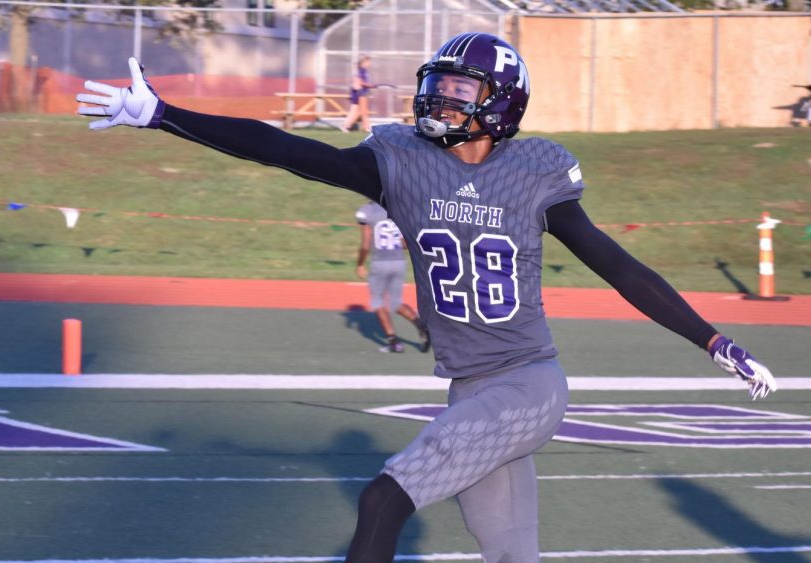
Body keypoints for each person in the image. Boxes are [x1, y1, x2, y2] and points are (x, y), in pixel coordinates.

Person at [76, 33, 778, 563]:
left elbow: (622, 268)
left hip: (530, 383)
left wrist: (714, 340)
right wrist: (163, 115)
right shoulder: (400, 163)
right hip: (467, 387)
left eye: (459, 93)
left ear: (499, 106)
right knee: (509, 554)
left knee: (384, 496)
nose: (440, 101)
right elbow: (285, 149)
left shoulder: (535, 174)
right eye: (438, 87)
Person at [355, 200, 430, 353]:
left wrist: (360, 264)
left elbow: (365, 245)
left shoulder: (366, 211)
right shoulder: (398, 207)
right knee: (396, 303)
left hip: (380, 263)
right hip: (398, 262)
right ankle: (421, 325)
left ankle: (394, 342)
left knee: (377, 302)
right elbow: (405, 243)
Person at [341, 54, 373, 133]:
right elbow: (358, 81)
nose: (369, 64)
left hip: (361, 92)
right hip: (359, 93)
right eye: (368, 62)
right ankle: (364, 127)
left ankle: (347, 126)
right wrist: (368, 85)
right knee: (360, 110)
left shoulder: (364, 71)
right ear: (363, 62)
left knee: (358, 111)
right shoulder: (360, 71)